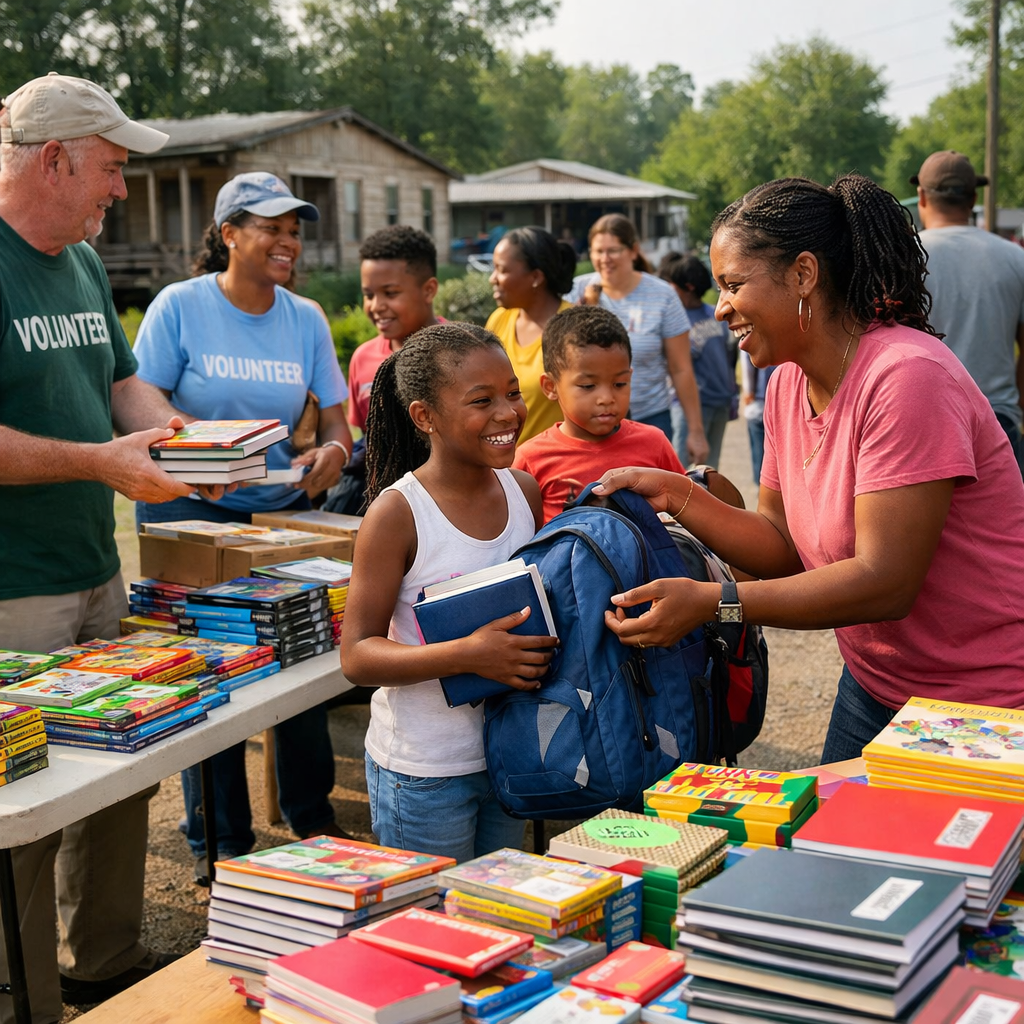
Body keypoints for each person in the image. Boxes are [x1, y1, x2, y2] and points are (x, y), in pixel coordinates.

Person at [594, 174, 1024, 767]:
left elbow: (885, 582)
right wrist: (676, 494)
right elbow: (780, 543)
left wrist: (714, 601)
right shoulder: (786, 382)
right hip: (875, 687)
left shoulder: (906, 377)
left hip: (983, 701)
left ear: (802, 274)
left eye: (733, 284)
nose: (719, 308)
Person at [0, 72, 204, 1021]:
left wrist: (190, 436)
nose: (120, 191)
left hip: (94, 565)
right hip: (13, 590)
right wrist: (100, 461)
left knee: (122, 770)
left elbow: (124, 388)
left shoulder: (81, 263)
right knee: (26, 807)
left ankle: (106, 959)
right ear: (52, 159)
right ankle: (31, 997)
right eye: (112, 169)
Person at [132, 171, 355, 885]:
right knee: (210, 673)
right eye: (272, 227)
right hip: (185, 512)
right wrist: (204, 444)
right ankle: (219, 841)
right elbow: (143, 400)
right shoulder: (179, 307)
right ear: (229, 234)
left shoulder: (307, 318)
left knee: (300, 660)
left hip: (275, 514)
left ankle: (309, 816)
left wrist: (332, 453)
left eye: (295, 229)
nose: (288, 241)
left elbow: (337, 420)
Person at [340, 324, 558, 862]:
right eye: (481, 401)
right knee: (433, 920)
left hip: (509, 755)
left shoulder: (523, 491)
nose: (508, 412)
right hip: (425, 770)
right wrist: (467, 656)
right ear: (424, 417)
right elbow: (357, 655)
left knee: (494, 913)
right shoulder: (397, 515)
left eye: (512, 392)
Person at [513, 305, 684, 522]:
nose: (606, 398)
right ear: (550, 386)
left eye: (619, 383)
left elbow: (685, 509)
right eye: (587, 386)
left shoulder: (654, 443)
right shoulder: (531, 459)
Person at [913, 150, 1024, 476]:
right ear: (974, 196)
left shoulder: (905, 258)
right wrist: (1016, 408)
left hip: (922, 420)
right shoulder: (1015, 259)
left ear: (921, 196)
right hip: (998, 421)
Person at [568, 214, 708, 464]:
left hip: (650, 416)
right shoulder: (577, 291)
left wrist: (696, 431)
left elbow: (681, 368)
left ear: (633, 251)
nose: (604, 259)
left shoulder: (662, 295)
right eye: (598, 251)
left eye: (613, 251)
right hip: (589, 422)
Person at [324, 226, 441, 516]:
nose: (376, 306)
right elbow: (366, 439)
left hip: (442, 507)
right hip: (378, 506)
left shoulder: (462, 354)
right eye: (368, 294)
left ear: (429, 290)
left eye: (390, 293)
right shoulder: (363, 358)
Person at [486, 226, 577, 442]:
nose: (493, 278)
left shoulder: (574, 328)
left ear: (536, 277)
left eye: (502, 270)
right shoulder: (499, 320)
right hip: (504, 467)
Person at [659, 255, 736, 469]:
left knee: (710, 469)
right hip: (690, 405)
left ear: (689, 287)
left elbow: (730, 356)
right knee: (679, 468)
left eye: (672, 285)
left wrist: (732, 394)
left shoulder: (715, 314)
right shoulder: (675, 320)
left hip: (720, 400)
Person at [739, 350, 775, 485]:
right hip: (774, 404)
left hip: (757, 405)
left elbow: (746, 368)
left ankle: (761, 486)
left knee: (759, 453)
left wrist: (748, 393)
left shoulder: (749, 340)